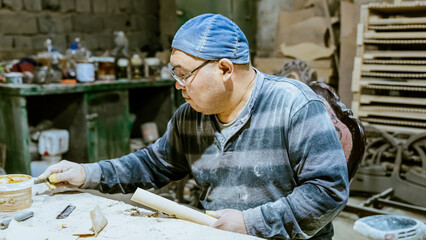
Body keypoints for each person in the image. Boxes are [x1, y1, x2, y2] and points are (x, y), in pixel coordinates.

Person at [40, 14, 349, 239]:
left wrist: (249, 223)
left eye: (184, 74)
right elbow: (153, 164)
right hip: (213, 232)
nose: (178, 86)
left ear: (225, 68)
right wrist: (87, 173)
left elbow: (327, 192)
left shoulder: (294, 106)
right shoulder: (191, 115)